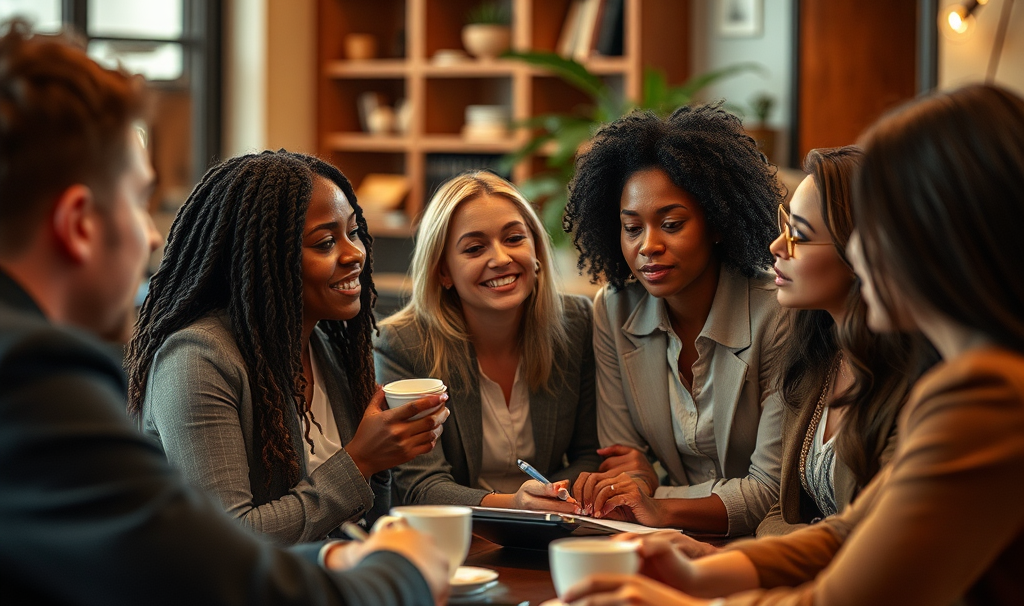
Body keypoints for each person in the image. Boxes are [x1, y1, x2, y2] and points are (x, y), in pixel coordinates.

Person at [0, 19, 448, 606]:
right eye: (142, 201)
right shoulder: (33, 385)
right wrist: (406, 571)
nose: (153, 236)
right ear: (80, 223)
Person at [560, 84, 1024, 606]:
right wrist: (706, 572)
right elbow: (853, 532)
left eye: (876, 228)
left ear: (940, 240)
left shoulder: (990, 396)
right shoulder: (969, 381)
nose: (862, 254)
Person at [125, 150, 449, 545]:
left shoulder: (332, 349)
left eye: (354, 231)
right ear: (265, 259)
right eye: (326, 242)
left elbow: (364, 526)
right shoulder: (196, 360)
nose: (355, 254)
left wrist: (382, 463)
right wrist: (360, 460)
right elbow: (228, 540)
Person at [564, 104, 785, 536]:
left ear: (717, 223)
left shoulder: (777, 313)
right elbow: (623, 462)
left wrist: (657, 501)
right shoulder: (614, 309)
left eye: (671, 223)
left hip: (758, 547)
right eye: (632, 228)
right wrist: (637, 486)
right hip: (657, 542)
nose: (648, 245)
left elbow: (772, 490)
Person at [375, 171, 599, 509]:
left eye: (513, 239)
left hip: (555, 527)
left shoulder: (577, 323)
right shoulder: (402, 344)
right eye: (475, 248)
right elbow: (422, 486)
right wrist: (514, 504)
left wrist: (551, 495)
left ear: (536, 250)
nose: (501, 259)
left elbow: (591, 455)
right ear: (443, 271)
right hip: (457, 537)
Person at [758, 146, 926, 535]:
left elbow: (876, 539)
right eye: (784, 227)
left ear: (862, 251)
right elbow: (779, 515)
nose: (777, 247)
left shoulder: (912, 383)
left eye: (798, 234)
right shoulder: (817, 357)